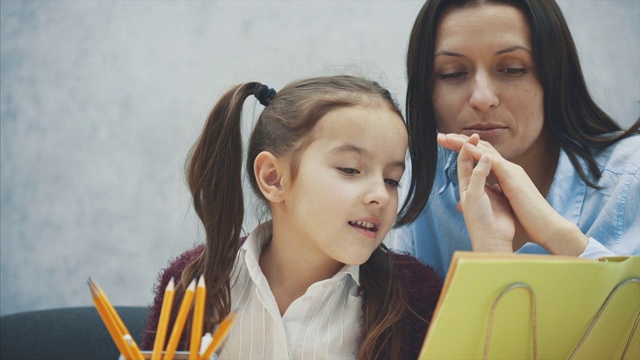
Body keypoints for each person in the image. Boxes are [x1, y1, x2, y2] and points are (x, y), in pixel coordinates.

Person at [141, 75, 443, 359]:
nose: (381, 194)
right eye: (350, 170)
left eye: (392, 180)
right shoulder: (190, 283)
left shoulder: (415, 298)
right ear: (274, 178)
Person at [393, 0, 640, 280]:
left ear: (554, 77)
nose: (483, 99)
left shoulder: (631, 177)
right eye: (453, 74)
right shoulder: (424, 178)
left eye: (512, 69)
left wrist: (558, 236)